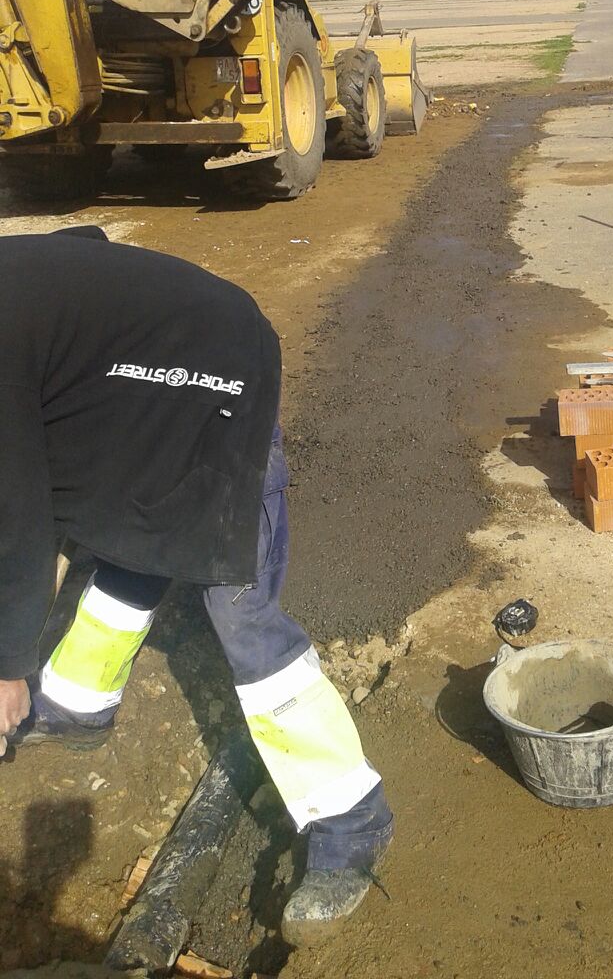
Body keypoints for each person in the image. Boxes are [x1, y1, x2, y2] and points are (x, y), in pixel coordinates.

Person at [0, 227, 392, 946]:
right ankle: (80, 705)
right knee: (124, 527)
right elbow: (82, 244)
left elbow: (15, 518)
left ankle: (351, 818)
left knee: (237, 606)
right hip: (144, 376)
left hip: (220, 365)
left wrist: (5, 668)